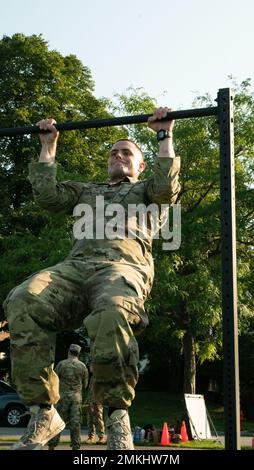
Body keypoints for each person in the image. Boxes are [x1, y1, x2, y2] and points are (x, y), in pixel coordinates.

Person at [3, 107, 181, 450]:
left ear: (140, 165)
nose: (118, 156)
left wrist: (164, 135)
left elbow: (166, 187)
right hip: (74, 268)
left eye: (126, 152)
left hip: (121, 268)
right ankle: (43, 413)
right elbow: (47, 196)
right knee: (22, 299)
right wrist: (48, 144)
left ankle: (117, 418)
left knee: (113, 310)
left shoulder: (147, 191)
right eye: (113, 152)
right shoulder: (87, 191)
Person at [47, 344, 88, 451]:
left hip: (62, 397)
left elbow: (53, 379)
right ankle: (76, 446)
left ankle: (52, 445)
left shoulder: (61, 364)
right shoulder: (82, 366)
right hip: (76, 398)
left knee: (58, 422)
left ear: (69, 352)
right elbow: (85, 384)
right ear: (78, 353)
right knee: (75, 423)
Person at [85, 366, 106, 445]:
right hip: (91, 400)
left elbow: (102, 390)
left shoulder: (101, 377)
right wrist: (88, 400)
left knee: (98, 418)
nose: (90, 367)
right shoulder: (93, 377)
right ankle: (91, 437)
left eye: (92, 366)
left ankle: (102, 437)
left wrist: (98, 400)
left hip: (98, 400)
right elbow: (90, 390)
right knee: (90, 419)